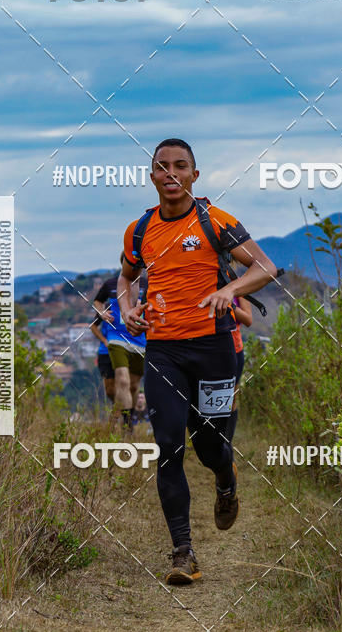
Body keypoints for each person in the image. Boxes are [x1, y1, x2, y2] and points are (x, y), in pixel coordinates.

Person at [117, 138, 277, 584]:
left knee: (209, 447)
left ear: (194, 175)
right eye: (162, 167)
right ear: (152, 176)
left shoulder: (216, 222)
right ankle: (182, 553)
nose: (171, 174)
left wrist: (230, 289)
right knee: (168, 447)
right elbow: (125, 277)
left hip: (214, 350)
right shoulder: (138, 231)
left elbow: (264, 267)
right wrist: (128, 308)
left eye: (180, 166)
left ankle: (225, 480)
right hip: (164, 351)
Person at [92, 262, 146, 430]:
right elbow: (95, 313)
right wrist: (105, 339)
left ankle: (121, 418)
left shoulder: (148, 284)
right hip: (115, 341)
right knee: (118, 383)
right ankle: (127, 425)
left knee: (132, 386)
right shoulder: (110, 287)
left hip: (140, 342)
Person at [227, 292, 252, 444]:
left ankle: (227, 448)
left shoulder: (239, 284)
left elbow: (248, 319)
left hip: (234, 349)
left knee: (231, 402)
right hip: (206, 349)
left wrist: (228, 304)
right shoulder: (204, 277)